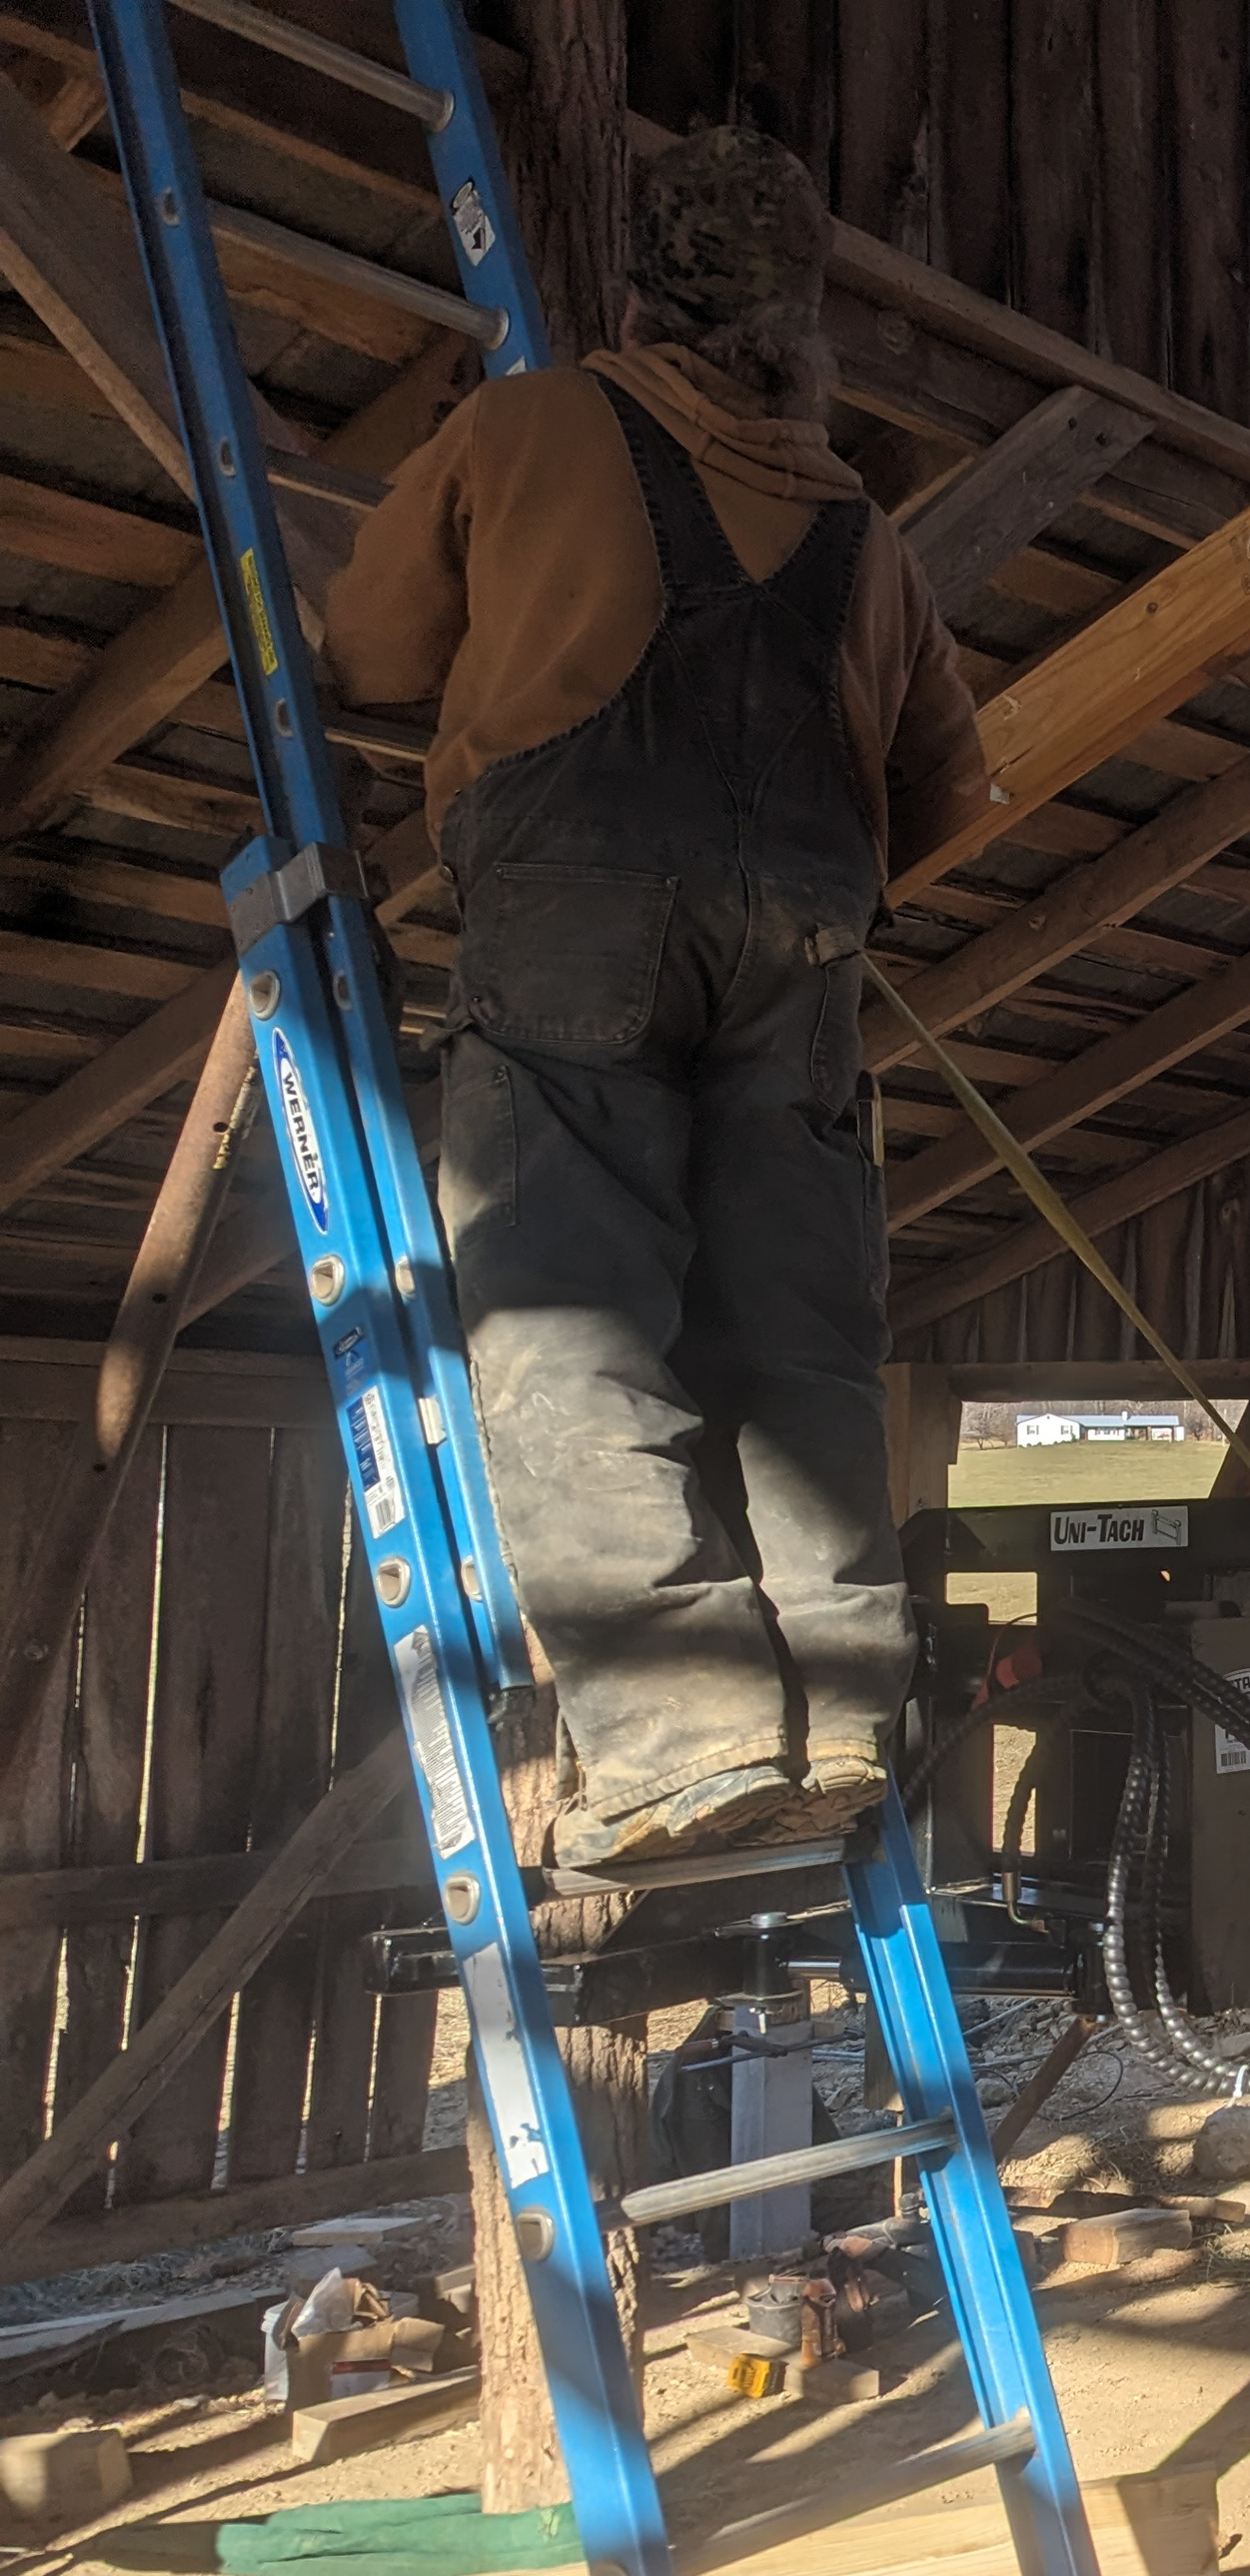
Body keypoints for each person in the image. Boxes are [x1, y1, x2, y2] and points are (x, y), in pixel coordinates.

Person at [330, 127, 984, 1864]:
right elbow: (947, 790)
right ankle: (840, 1718)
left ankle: (685, 1736)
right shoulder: (868, 534)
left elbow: (368, 652)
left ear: (634, 297)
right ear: (803, 321)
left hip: (578, 904)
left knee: (571, 1307)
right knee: (796, 1332)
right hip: (807, 950)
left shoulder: (531, 427)